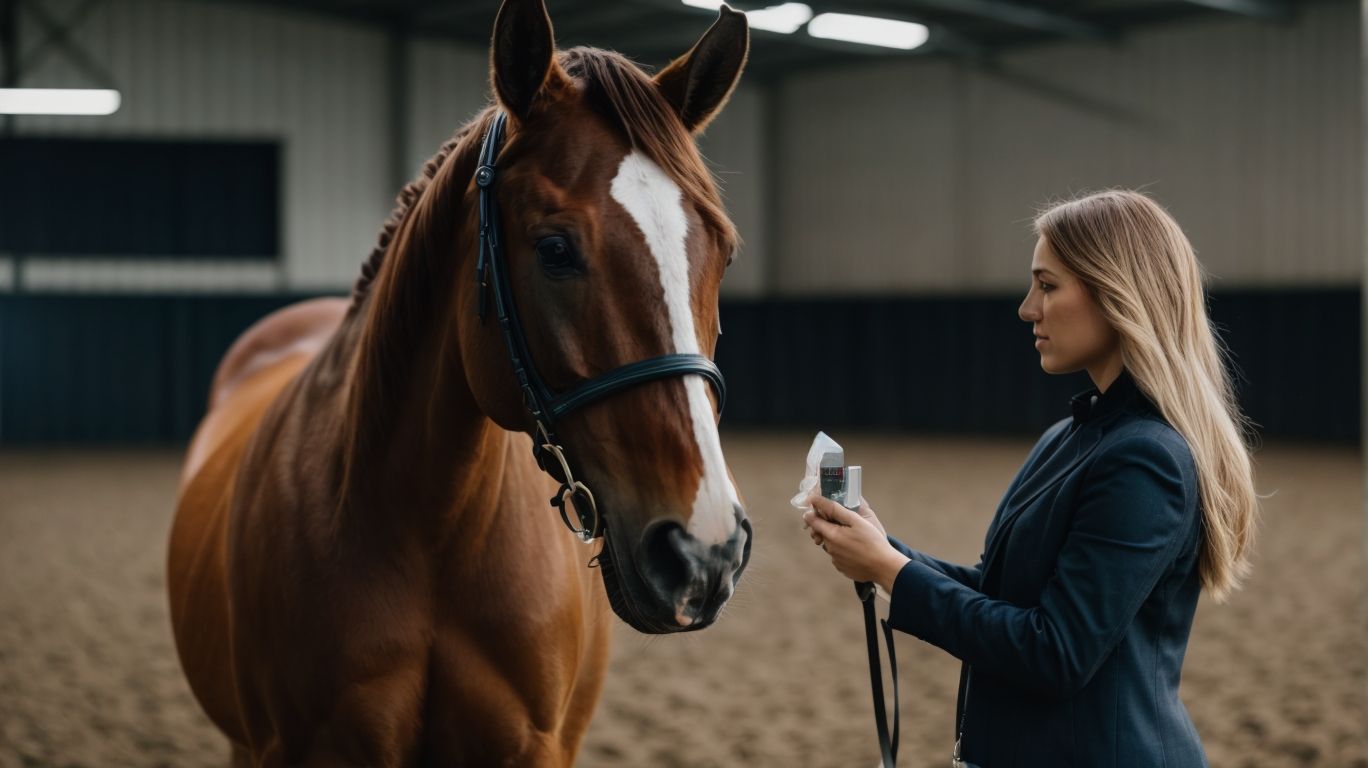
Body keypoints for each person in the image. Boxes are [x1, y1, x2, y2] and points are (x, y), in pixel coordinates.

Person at [803, 189, 1258, 768]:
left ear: (1116, 292)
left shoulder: (1147, 459)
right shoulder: (1070, 435)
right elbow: (1005, 592)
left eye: (1047, 286)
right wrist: (878, 545)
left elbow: (1056, 653)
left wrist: (891, 571)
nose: (1027, 308)